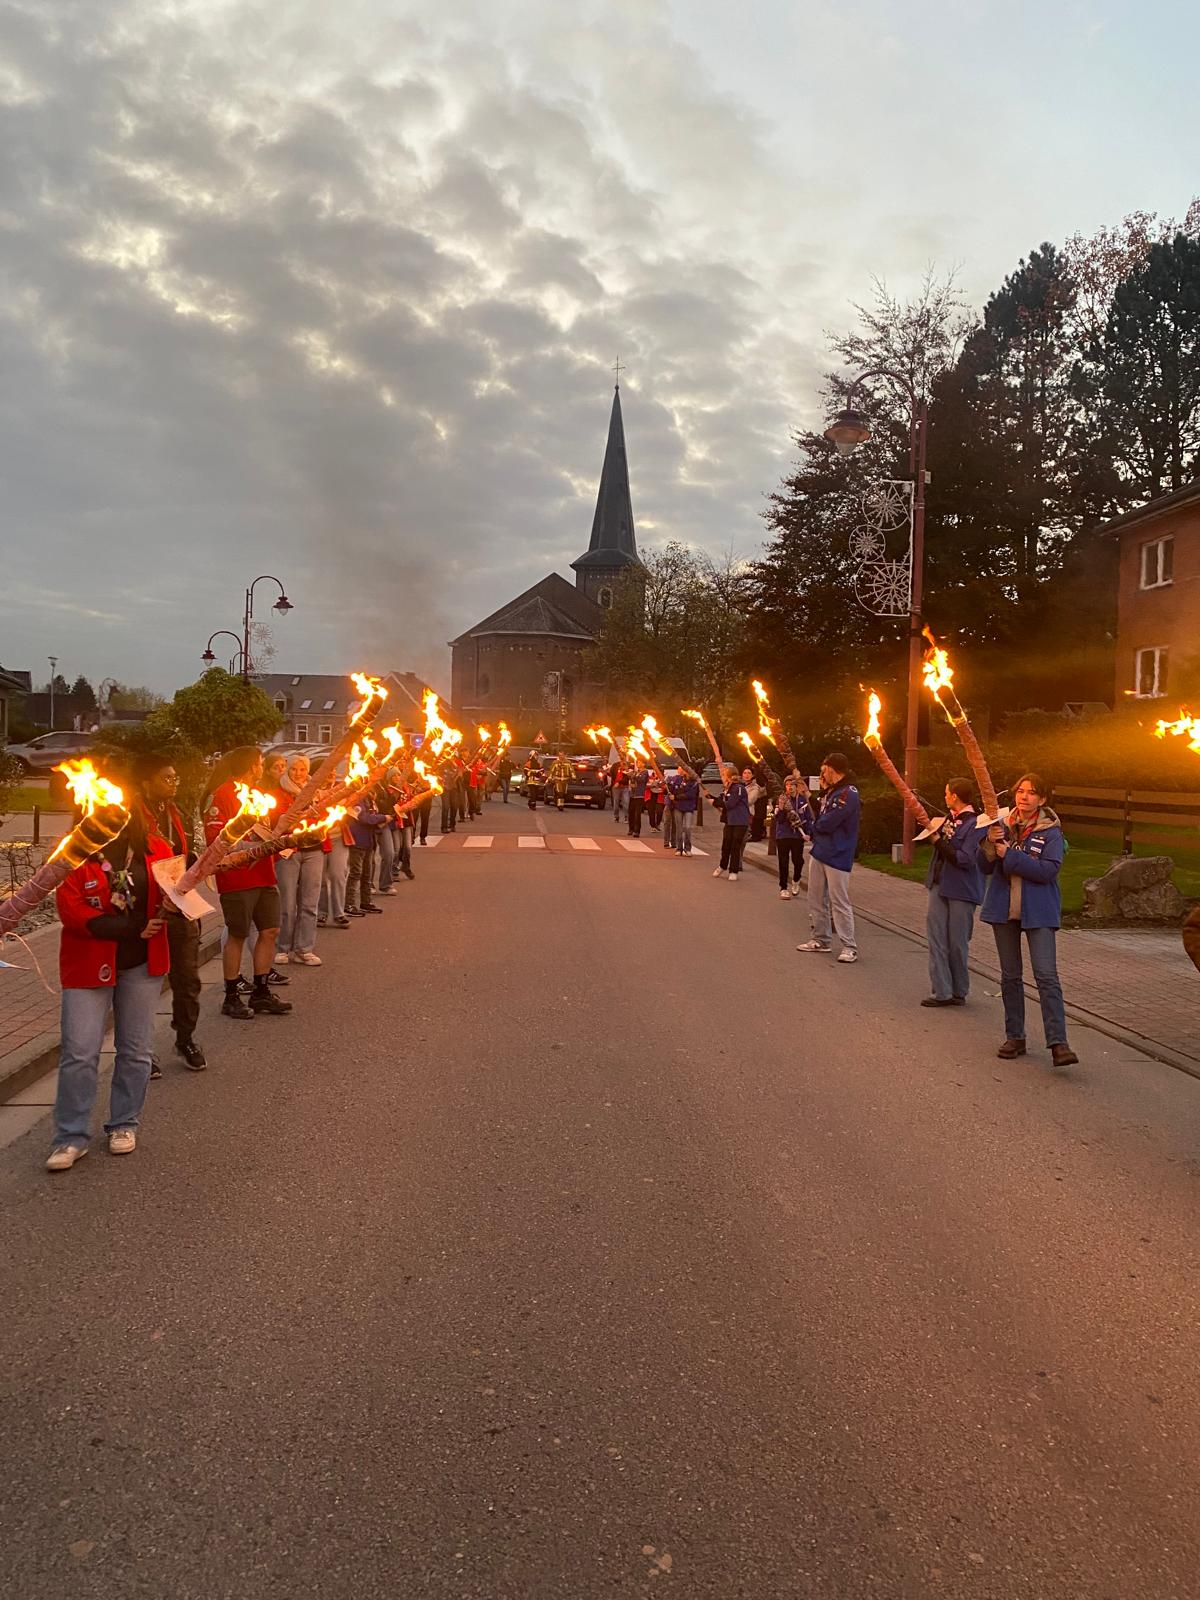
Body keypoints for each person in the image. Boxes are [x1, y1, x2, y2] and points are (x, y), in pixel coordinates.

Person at [45, 804, 173, 1170]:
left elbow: (174, 891)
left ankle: (123, 1123)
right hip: (88, 963)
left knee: (135, 1049)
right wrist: (128, 927)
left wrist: (178, 902)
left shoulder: (155, 849)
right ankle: (70, 1136)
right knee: (79, 1052)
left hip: (141, 963)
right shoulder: (72, 851)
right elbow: (71, 909)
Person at [979, 773, 1079, 1066]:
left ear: (1042, 799)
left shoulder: (1051, 832)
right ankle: (1015, 1036)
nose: (1024, 797)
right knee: (1010, 976)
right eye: (1020, 791)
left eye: (1032, 793)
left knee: (1046, 976)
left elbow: (1047, 871)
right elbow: (983, 866)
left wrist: (1009, 855)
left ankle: (1058, 1042)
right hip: (1004, 910)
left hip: (1039, 912)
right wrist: (988, 843)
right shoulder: (1001, 825)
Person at [202, 746, 293, 1019]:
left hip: (264, 874)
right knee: (238, 934)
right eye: (259, 763)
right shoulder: (224, 794)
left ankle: (261, 992)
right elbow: (215, 840)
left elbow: (267, 830)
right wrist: (253, 845)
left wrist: (285, 834)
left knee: (270, 930)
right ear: (249, 765)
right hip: (236, 876)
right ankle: (231, 996)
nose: (261, 767)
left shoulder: (259, 795)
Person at [134, 752, 207, 1070]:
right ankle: (142, 1052)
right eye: (167, 778)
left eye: (176, 777)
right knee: (144, 984)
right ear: (146, 782)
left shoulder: (177, 812)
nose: (174, 783)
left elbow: (186, 855)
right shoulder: (130, 816)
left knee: (188, 979)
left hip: (178, 904)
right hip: (146, 908)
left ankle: (185, 1038)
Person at [921, 779, 984, 1008]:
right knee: (936, 938)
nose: (945, 796)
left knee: (957, 942)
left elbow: (965, 859)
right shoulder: (949, 818)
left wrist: (938, 842)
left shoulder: (976, 824)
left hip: (962, 889)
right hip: (939, 883)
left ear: (956, 796)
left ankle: (959, 990)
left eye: (947, 793)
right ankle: (942, 991)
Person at [796, 752, 860, 962]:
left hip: (838, 854)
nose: (822, 774)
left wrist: (814, 826)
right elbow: (820, 811)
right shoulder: (831, 792)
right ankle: (821, 939)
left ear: (833, 769)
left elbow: (828, 821)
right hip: (820, 850)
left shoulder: (848, 793)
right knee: (815, 897)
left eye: (824, 770)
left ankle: (849, 946)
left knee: (838, 901)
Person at [276, 753, 326, 963]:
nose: (298, 773)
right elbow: (273, 821)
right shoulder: (279, 793)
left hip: (314, 848)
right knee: (287, 903)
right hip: (289, 850)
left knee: (309, 901)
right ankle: (282, 947)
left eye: (302, 769)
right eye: (294, 769)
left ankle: (304, 948)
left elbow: (327, 816)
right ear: (288, 770)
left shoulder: (316, 793)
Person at [345, 790, 388, 915]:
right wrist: (383, 818)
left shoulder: (369, 798)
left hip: (369, 840)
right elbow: (363, 818)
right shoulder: (356, 799)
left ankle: (366, 901)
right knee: (355, 873)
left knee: (367, 874)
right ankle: (349, 904)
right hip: (358, 841)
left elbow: (372, 815)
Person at [773, 773, 808, 901]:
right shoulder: (782, 799)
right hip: (783, 835)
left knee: (798, 861)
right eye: (787, 785)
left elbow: (808, 817)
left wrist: (808, 833)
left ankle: (796, 879)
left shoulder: (803, 800)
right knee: (783, 862)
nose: (790, 787)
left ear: (797, 786)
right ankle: (783, 888)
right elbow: (779, 820)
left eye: (792, 785)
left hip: (798, 836)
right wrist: (781, 808)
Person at [713, 763, 750, 880]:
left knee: (735, 845)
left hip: (740, 821)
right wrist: (711, 797)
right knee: (726, 844)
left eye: (724, 774)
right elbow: (722, 798)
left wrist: (716, 803)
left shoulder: (739, 788)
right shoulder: (728, 787)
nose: (723, 776)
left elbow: (730, 804)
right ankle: (722, 866)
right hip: (730, 821)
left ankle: (733, 870)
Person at [673, 766, 700, 856]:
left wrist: (677, 796)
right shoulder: (679, 780)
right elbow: (675, 790)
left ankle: (687, 848)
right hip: (678, 806)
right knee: (679, 828)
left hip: (689, 807)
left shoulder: (695, 783)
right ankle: (679, 848)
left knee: (688, 827)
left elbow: (691, 794)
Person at [627, 763, 649, 837]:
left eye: (640, 762)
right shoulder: (636, 771)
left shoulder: (645, 772)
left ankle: (637, 831)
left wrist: (634, 776)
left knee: (637, 814)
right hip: (632, 794)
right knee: (631, 812)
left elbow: (642, 780)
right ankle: (631, 829)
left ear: (643, 764)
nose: (638, 764)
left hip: (639, 795)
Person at [612, 759, 629, 825]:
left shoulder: (627, 766)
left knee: (626, 803)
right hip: (616, 787)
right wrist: (614, 783)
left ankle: (626, 817)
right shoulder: (615, 765)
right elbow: (612, 774)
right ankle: (616, 816)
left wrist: (626, 769)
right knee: (616, 802)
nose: (622, 763)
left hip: (625, 787)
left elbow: (627, 777)